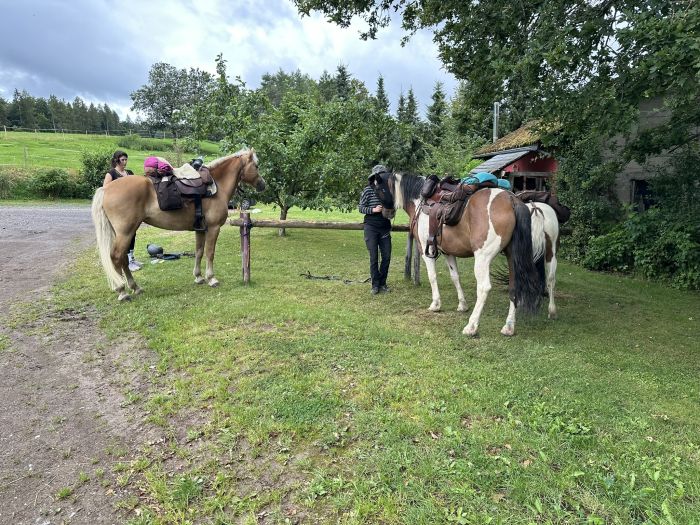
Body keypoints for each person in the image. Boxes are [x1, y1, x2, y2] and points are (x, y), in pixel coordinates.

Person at [103, 150, 142, 272]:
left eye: (126, 159)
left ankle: (131, 257)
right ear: (116, 160)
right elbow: (106, 189)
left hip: (132, 207)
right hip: (120, 208)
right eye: (122, 160)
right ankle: (124, 259)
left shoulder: (129, 173)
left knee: (133, 232)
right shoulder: (111, 174)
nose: (124, 162)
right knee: (122, 234)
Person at [359, 164, 392, 294]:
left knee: (387, 256)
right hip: (371, 227)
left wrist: (389, 210)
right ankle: (375, 285)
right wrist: (373, 210)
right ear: (373, 178)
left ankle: (383, 283)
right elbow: (361, 207)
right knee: (374, 257)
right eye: (379, 177)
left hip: (384, 227)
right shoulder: (367, 190)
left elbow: (393, 208)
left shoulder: (388, 191)